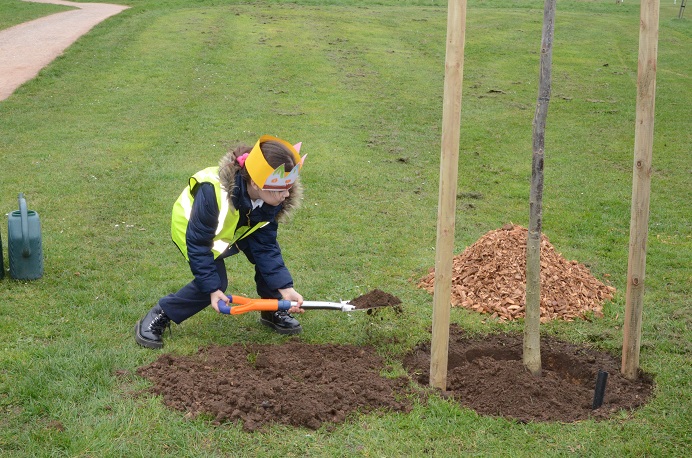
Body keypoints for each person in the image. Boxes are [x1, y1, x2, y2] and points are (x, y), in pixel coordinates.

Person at [135, 135, 307, 349]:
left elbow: (266, 248)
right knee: (214, 281)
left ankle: (272, 310)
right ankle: (162, 313)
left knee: (263, 257)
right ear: (255, 182)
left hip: (236, 227)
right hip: (194, 232)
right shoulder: (212, 192)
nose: (287, 194)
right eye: (281, 189)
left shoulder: (271, 200)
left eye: (289, 187)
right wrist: (213, 289)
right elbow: (198, 245)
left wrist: (285, 288)